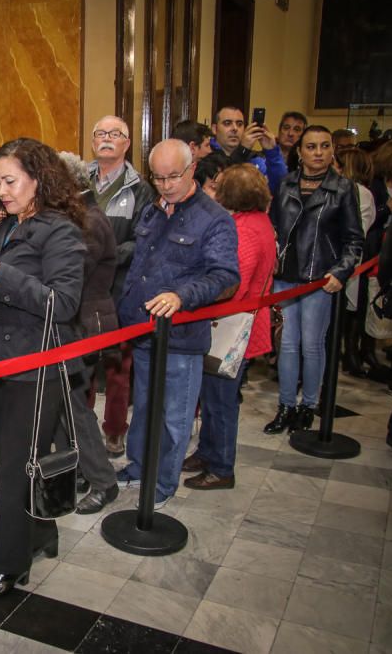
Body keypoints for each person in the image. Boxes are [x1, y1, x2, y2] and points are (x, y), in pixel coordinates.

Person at [0, 138, 86, 600]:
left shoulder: (61, 232)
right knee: (24, 461)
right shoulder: (2, 227)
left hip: (36, 368)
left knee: (16, 468)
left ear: (39, 178)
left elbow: (64, 303)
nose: (2, 191)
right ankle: (42, 535)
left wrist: (0, 273)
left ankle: (9, 566)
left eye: (10, 181)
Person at [116, 139, 239, 509]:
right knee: (143, 408)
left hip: (182, 335)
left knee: (174, 417)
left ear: (191, 171)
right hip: (142, 329)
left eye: (174, 176)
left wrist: (182, 295)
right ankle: (138, 466)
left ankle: (163, 483)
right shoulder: (153, 210)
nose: (166, 184)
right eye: (158, 177)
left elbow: (225, 276)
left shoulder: (214, 219)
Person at [265, 126, 365, 435]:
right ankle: (286, 406)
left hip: (320, 279)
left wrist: (340, 271)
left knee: (311, 344)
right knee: (288, 345)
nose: (318, 152)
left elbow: (353, 240)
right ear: (300, 151)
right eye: (311, 146)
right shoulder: (284, 184)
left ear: (332, 150)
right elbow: (274, 228)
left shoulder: (343, 188)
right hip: (286, 276)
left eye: (324, 146)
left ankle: (308, 405)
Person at [182, 164, 275, 489]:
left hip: (234, 328)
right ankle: (207, 452)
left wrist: (194, 294)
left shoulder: (244, 229)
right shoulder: (258, 221)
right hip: (241, 324)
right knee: (215, 397)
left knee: (221, 402)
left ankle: (221, 467)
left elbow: (233, 284)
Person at [86, 115, 157, 456]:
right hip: (81, 286)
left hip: (119, 287)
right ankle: (80, 426)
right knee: (80, 363)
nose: (107, 138)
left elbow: (143, 241)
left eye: (116, 134)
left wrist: (106, 255)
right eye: (101, 133)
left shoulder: (141, 189)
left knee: (118, 366)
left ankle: (114, 430)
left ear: (128, 143)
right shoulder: (77, 181)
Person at [57, 151, 120, 514]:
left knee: (74, 407)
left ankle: (103, 481)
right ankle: (81, 468)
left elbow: (69, 275)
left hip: (86, 324)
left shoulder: (89, 221)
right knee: (68, 405)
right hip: (78, 323)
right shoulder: (78, 216)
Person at [335, 149, 377, 377]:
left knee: (347, 317)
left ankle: (349, 355)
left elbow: (357, 232)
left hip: (348, 265)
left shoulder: (361, 194)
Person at [209, 106, 287, 194]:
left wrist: (272, 153)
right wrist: (243, 150)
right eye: (227, 123)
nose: (235, 128)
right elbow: (223, 185)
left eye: (239, 124)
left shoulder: (255, 160)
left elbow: (281, 188)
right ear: (214, 129)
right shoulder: (204, 154)